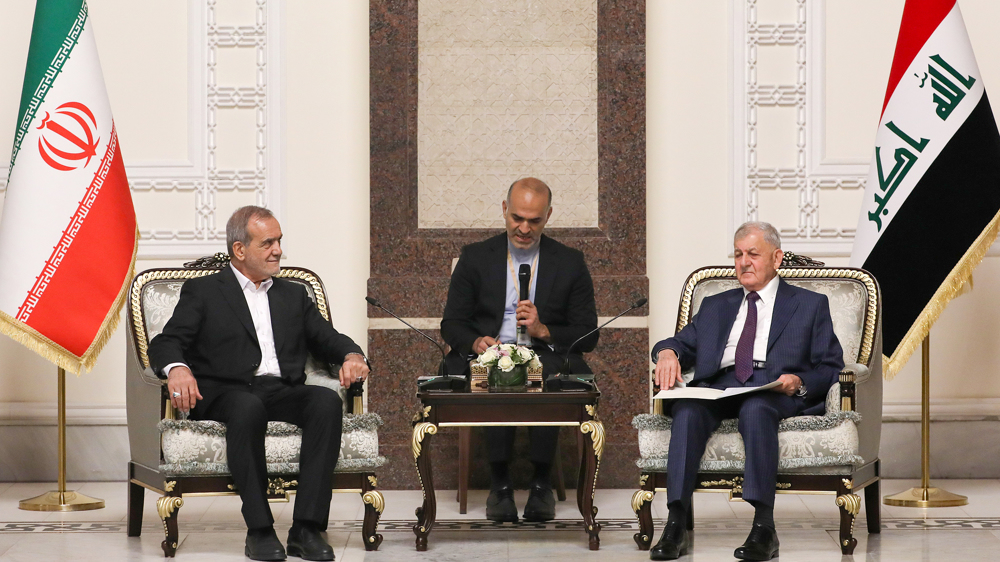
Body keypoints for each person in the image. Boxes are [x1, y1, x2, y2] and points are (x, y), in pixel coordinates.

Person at [147, 206, 369, 562]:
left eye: (279, 241)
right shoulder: (204, 291)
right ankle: (260, 530)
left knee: (325, 403)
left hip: (280, 389)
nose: (278, 250)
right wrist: (176, 368)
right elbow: (166, 342)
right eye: (268, 243)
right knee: (247, 407)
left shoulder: (292, 295)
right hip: (224, 391)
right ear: (240, 249)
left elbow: (328, 338)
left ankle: (306, 529)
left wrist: (353, 356)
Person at [648, 221, 843, 561]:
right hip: (719, 384)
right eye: (738, 254)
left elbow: (830, 366)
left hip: (771, 387)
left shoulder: (809, 305)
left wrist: (799, 382)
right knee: (688, 410)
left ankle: (763, 527)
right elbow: (680, 342)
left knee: (756, 409)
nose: (743, 262)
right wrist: (667, 353)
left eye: (753, 254)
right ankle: (676, 522)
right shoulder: (716, 304)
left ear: (777, 258)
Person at [441, 177, 599, 522]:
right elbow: (451, 323)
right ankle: (500, 485)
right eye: (517, 218)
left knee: (539, 373)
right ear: (504, 211)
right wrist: (475, 341)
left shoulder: (570, 262)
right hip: (491, 353)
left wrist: (544, 329)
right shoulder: (476, 257)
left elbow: (588, 335)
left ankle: (541, 483)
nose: (524, 228)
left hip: (545, 353)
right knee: (498, 373)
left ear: (548, 216)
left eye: (534, 220)